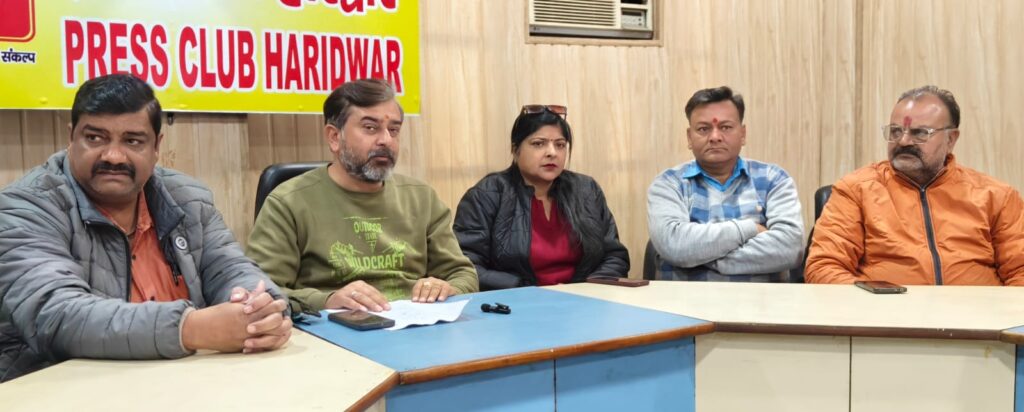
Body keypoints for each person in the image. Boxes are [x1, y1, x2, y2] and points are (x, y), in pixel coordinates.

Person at [0, 74, 290, 382]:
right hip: (64, 387)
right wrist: (191, 329)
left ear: (156, 147)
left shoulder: (188, 198)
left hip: (187, 383)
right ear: (72, 138)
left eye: (132, 141)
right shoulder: (24, 207)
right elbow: (55, 315)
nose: (113, 156)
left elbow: (234, 269)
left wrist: (260, 311)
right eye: (95, 138)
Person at [247, 79, 478, 312]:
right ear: (334, 137)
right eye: (370, 128)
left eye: (394, 130)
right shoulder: (288, 202)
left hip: (416, 324)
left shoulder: (422, 198)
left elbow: (462, 274)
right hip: (332, 326)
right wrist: (326, 301)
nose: (386, 140)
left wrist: (446, 289)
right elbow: (261, 291)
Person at [805, 85, 1024, 285]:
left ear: (951, 139)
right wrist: (875, 306)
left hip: (978, 314)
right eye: (895, 131)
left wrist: (998, 313)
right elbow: (824, 266)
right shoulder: (856, 190)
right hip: (885, 314)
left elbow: (1020, 271)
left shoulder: (996, 196)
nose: (903, 141)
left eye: (919, 133)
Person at [453, 105, 629, 290]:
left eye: (560, 145)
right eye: (538, 144)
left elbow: (615, 256)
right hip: (518, 301)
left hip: (583, 300)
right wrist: (525, 289)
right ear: (515, 149)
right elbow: (466, 266)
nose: (552, 152)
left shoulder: (586, 190)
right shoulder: (487, 194)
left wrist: (587, 290)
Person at [647, 86, 804, 281]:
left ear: (743, 134)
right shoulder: (668, 184)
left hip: (759, 299)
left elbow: (790, 249)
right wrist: (750, 229)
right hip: (685, 299)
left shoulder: (774, 179)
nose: (715, 137)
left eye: (725, 127)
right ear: (689, 137)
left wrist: (699, 257)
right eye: (703, 129)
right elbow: (674, 245)